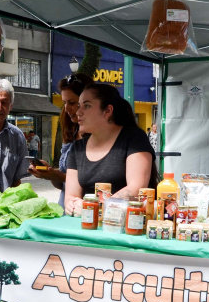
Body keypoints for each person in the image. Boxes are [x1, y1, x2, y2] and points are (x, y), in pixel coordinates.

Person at [63, 83, 157, 215]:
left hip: (127, 225)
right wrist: (72, 205)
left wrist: (95, 208)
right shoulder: (77, 148)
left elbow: (137, 188)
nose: (78, 112)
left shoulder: (133, 138)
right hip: (86, 224)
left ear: (107, 111)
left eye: (87, 106)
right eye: (79, 106)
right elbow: (70, 197)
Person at [29, 73, 89, 206]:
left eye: (72, 103)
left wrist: (57, 175)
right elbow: (62, 185)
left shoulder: (98, 137)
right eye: (64, 103)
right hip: (66, 209)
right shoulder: (71, 131)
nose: (66, 109)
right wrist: (50, 173)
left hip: (87, 211)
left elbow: (94, 185)